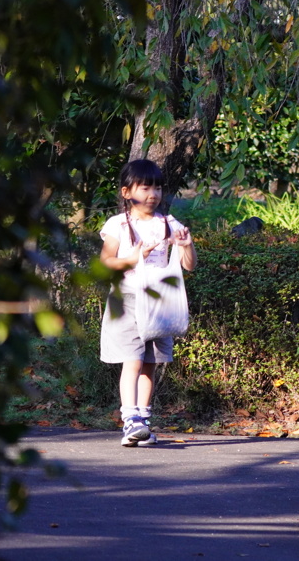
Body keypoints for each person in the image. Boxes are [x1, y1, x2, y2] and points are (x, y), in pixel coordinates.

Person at [99, 159, 197, 446]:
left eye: (157, 187)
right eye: (146, 187)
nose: (153, 194)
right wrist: (135, 256)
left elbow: (189, 266)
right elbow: (106, 262)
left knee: (150, 364)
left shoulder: (168, 224)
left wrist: (186, 244)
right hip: (127, 299)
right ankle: (130, 420)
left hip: (159, 303)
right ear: (127, 192)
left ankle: (142, 420)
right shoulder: (117, 224)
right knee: (132, 359)